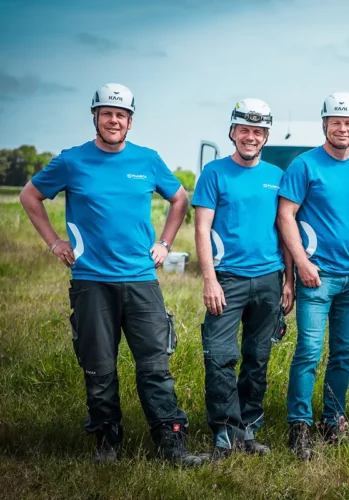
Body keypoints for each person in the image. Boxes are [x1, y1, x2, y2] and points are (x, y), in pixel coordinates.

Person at [18, 83, 205, 465]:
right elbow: (29, 196)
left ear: (130, 121)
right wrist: (55, 242)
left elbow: (179, 198)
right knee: (99, 367)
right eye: (107, 114)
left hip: (141, 279)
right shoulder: (72, 161)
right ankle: (108, 441)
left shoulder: (148, 160)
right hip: (92, 281)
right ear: (95, 117)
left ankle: (171, 444)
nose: (114, 120)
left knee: (155, 366)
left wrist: (165, 243)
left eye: (121, 115)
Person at [277, 92, 349, 460]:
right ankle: (299, 426)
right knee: (308, 351)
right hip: (316, 278)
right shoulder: (304, 165)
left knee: (344, 355)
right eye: (336, 122)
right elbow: (285, 216)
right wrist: (301, 264)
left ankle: (333, 422)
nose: (343, 128)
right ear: (325, 124)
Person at [192, 98, 295, 460]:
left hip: (269, 279)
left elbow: (284, 229)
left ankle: (248, 430)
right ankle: (224, 433)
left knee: (257, 358)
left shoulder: (276, 177)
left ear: (265, 136)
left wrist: (289, 281)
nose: (251, 137)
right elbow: (201, 229)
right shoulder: (214, 173)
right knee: (220, 357)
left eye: (258, 131)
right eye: (245, 130)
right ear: (233, 132)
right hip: (227, 279)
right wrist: (209, 279)